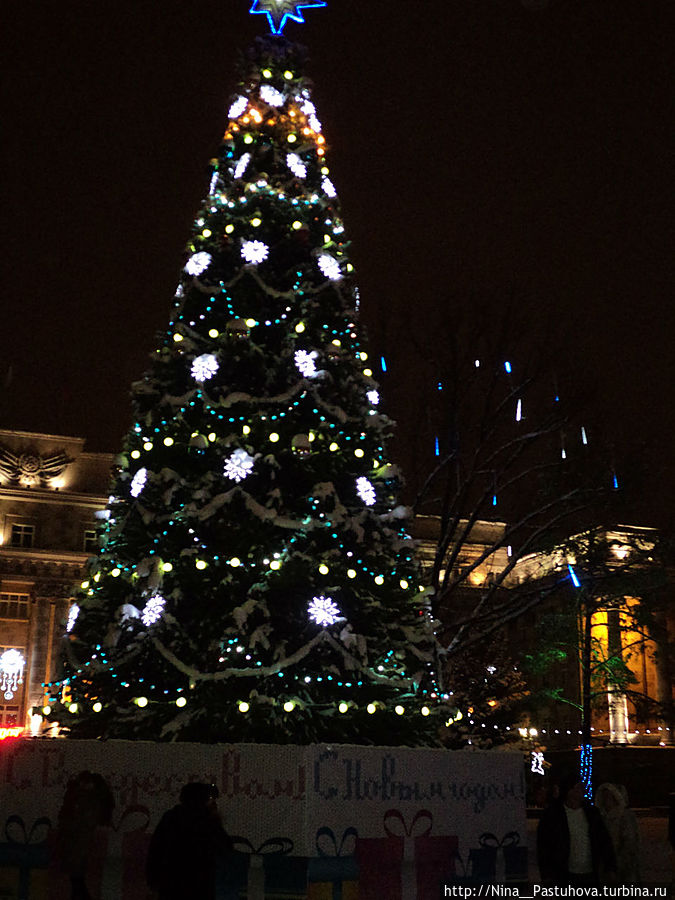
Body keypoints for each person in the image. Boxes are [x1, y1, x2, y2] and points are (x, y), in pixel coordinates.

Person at [146, 782, 232, 900]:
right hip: (199, 885)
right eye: (210, 798)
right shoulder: (207, 820)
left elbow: (155, 850)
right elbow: (225, 847)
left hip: (171, 884)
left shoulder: (171, 817)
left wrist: (153, 880)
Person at [537, 772, 616, 885]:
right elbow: (544, 847)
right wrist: (547, 876)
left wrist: (610, 867)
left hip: (590, 873)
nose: (579, 791)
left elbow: (604, 840)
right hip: (564, 874)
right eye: (575, 787)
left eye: (580, 787)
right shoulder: (553, 815)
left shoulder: (592, 813)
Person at [55, 770, 115, 900]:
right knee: (78, 882)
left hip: (79, 845)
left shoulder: (82, 800)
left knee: (77, 882)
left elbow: (76, 822)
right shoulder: (95, 800)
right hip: (81, 846)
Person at [595, 783, 640, 884]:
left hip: (622, 866)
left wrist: (617, 864)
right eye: (604, 796)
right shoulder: (600, 817)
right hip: (604, 865)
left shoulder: (625, 817)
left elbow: (629, 843)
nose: (606, 800)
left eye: (609, 796)